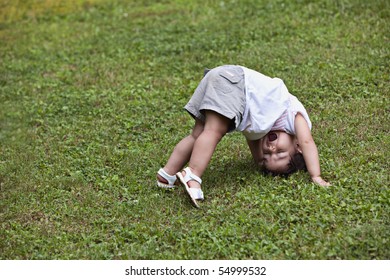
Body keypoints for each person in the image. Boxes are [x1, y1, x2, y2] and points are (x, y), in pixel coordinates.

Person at [156, 65, 331, 208]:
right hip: (235, 84)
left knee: (198, 135)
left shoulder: (263, 124)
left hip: (220, 77)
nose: (271, 149)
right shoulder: (293, 116)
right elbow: (308, 141)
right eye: (281, 152)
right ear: (297, 145)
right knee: (214, 131)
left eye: (268, 156)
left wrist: (259, 160)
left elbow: (253, 142)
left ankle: (168, 174)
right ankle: (193, 174)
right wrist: (316, 175)